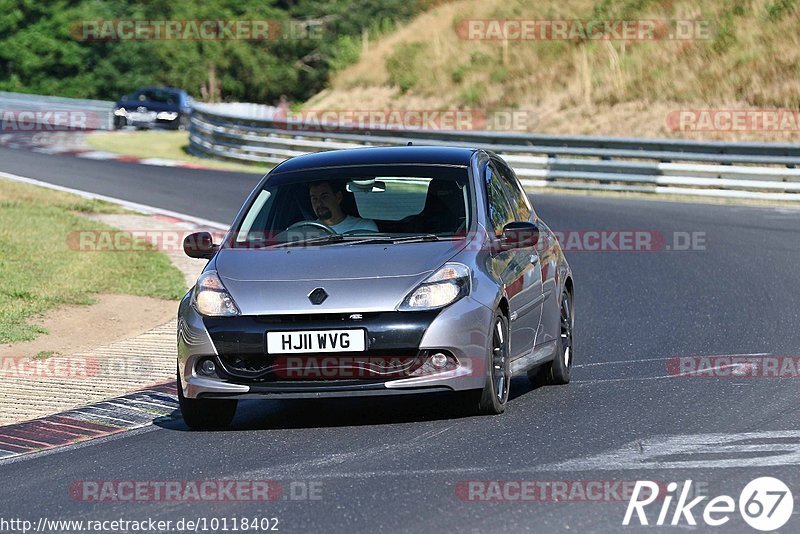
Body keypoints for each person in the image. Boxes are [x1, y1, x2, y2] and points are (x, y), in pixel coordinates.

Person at [308, 181, 378, 233]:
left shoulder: (364, 228)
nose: (319, 203)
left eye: (324, 197)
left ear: (338, 197)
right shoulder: (306, 231)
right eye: (314, 199)